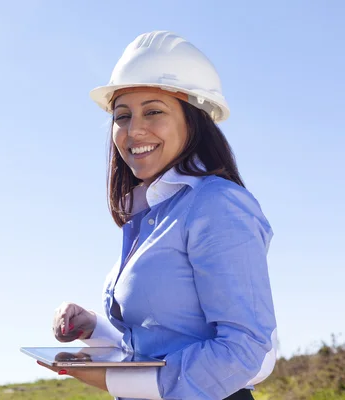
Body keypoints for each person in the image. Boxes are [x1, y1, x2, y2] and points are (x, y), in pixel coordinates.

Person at [36, 30, 278, 400]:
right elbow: (162, 341)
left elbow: (244, 348)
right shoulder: (150, 212)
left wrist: (112, 380)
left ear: (193, 119)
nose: (134, 130)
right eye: (122, 115)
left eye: (153, 111)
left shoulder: (218, 205)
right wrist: (93, 329)